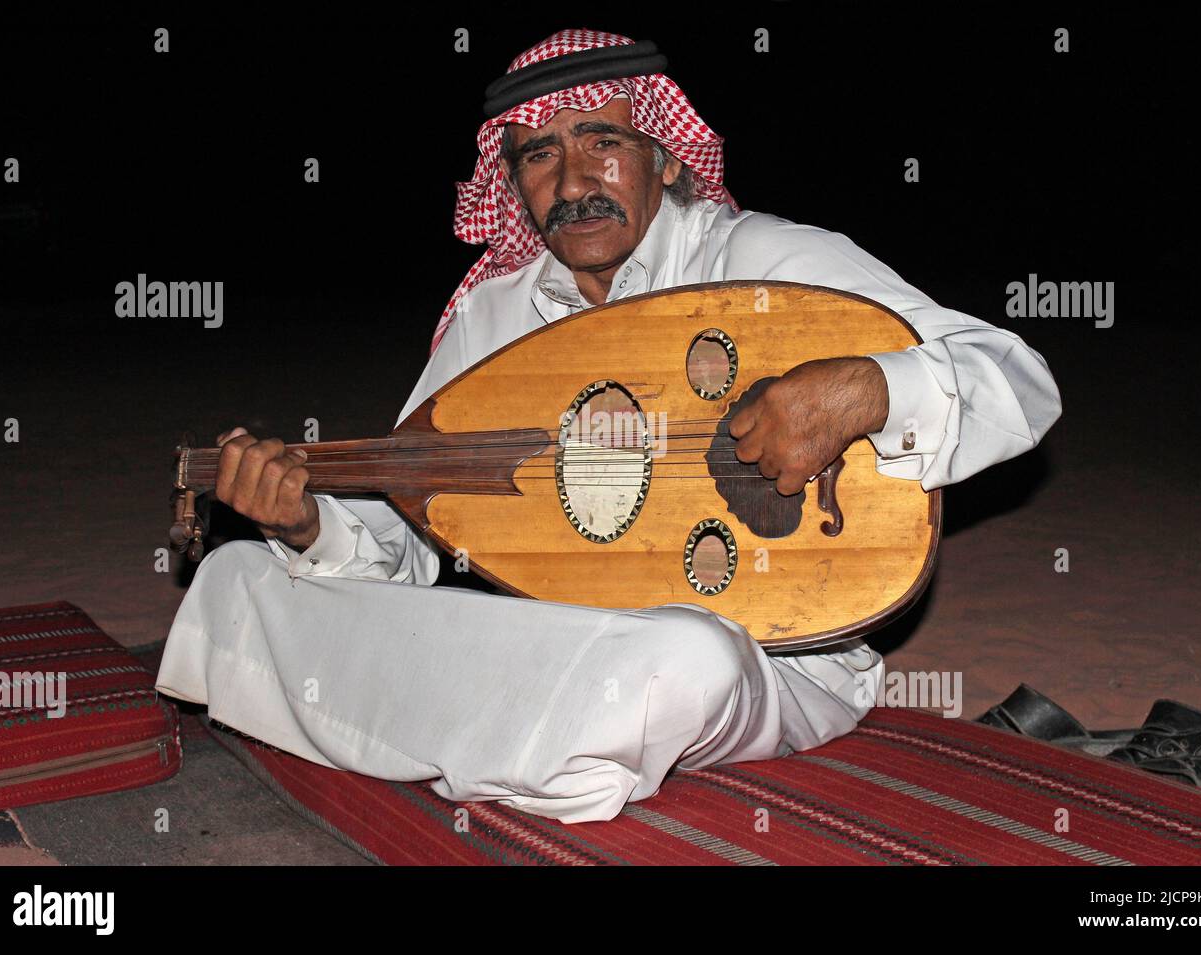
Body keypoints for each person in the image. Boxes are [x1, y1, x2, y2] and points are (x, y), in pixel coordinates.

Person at [155, 29, 1061, 824]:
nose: (574, 178)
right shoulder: (491, 321)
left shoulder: (757, 263)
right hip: (548, 638)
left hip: (767, 658)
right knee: (248, 575)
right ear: (511, 184)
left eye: (601, 140)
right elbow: (410, 535)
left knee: (682, 658)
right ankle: (530, 744)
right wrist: (309, 525)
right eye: (539, 155)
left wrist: (866, 389)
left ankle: (483, 731)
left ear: (664, 155)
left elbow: (1019, 381)